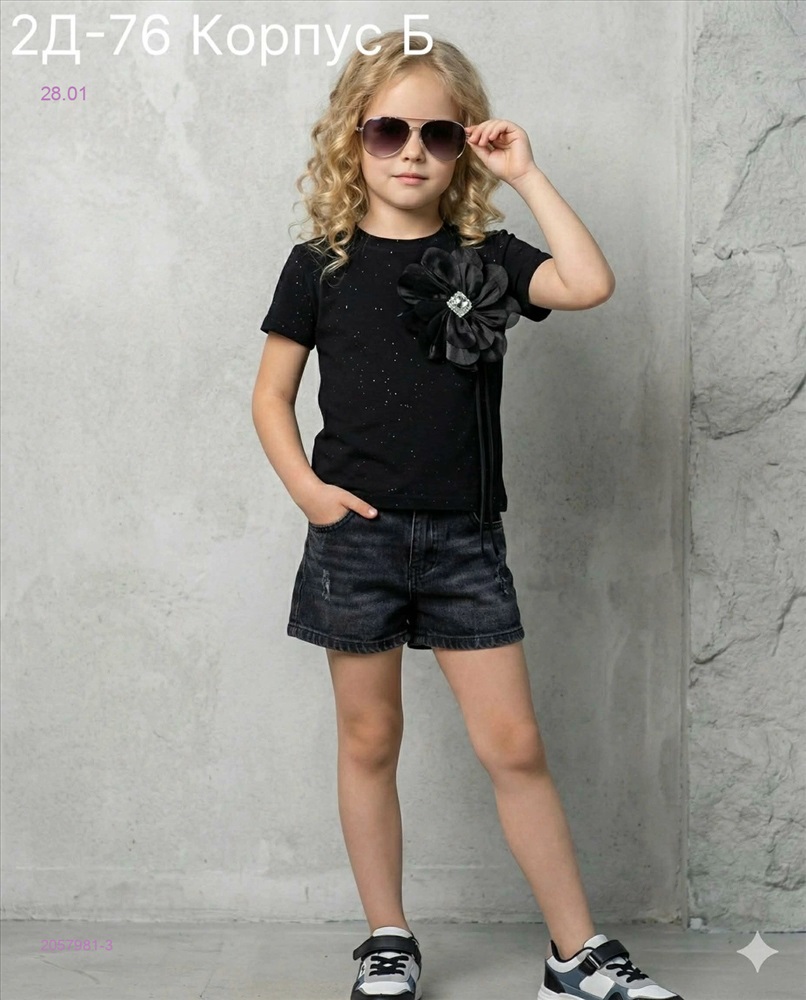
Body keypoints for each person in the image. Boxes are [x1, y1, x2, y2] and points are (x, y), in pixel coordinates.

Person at [252, 29, 685, 1000]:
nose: (412, 150)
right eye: (389, 130)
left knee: (514, 746)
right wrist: (310, 492)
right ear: (352, 136)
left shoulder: (483, 257)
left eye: (438, 134)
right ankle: (387, 937)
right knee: (369, 740)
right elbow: (270, 396)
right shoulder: (316, 266)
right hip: (354, 540)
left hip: (463, 542)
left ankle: (574, 954)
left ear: (463, 146)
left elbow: (588, 283)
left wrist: (524, 173)